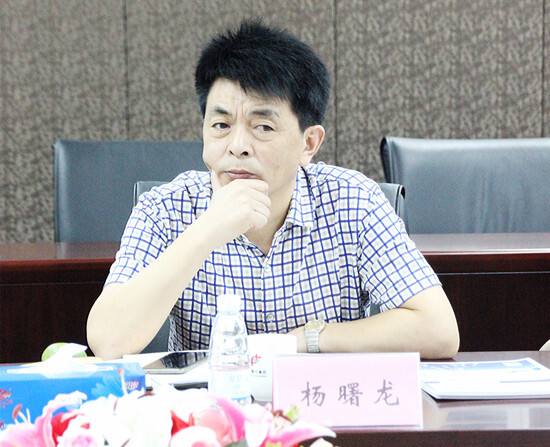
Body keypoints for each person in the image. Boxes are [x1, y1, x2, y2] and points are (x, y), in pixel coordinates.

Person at [87, 20, 459, 360]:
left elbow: (439, 330)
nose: (237, 146)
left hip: (320, 405)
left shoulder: (353, 201)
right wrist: (206, 231)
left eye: (263, 127)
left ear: (308, 144)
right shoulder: (165, 209)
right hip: (210, 409)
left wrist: (306, 340)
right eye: (221, 125)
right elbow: (108, 340)